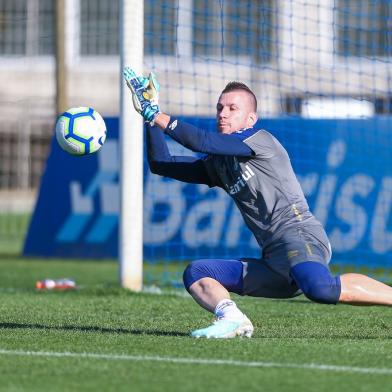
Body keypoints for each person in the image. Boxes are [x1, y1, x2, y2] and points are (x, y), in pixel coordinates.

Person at [124, 67, 392, 339]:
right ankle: (232, 318)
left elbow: (201, 141)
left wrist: (156, 115)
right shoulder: (219, 164)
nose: (223, 113)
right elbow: (162, 164)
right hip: (274, 260)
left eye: (232, 108)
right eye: (220, 107)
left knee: (320, 290)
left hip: (299, 236)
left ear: (250, 118)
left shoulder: (259, 140)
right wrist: (150, 117)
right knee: (197, 272)